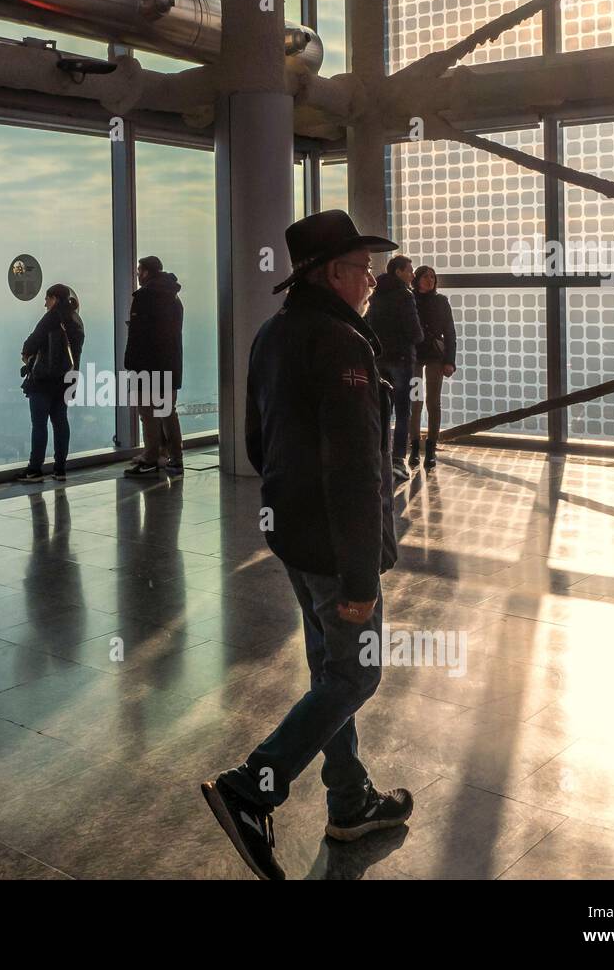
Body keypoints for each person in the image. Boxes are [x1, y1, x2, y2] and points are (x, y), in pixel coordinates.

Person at [201, 210, 412, 882]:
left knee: (331, 671)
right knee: (358, 673)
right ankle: (253, 785)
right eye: (361, 267)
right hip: (333, 544)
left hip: (290, 534)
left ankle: (350, 800)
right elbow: (355, 469)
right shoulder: (343, 344)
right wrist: (359, 577)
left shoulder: (272, 334)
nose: (372, 276)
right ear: (332, 274)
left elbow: (256, 442)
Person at [123, 255, 185, 478]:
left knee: (147, 413)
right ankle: (175, 459)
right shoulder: (174, 298)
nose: (138, 274)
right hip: (170, 364)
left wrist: (129, 362)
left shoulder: (144, 296)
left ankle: (150, 458)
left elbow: (138, 335)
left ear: (147, 272)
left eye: (139, 270)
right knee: (168, 412)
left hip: (147, 366)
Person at [17, 283, 85, 482]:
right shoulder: (76, 320)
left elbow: (32, 341)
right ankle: (60, 469)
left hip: (44, 380)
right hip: (65, 380)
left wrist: (26, 355)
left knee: (39, 425)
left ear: (55, 298)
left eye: (47, 299)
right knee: (60, 422)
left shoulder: (53, 317)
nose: (45, 304)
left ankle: (34, 469)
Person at [367, 255, 423, 483]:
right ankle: (398, 461)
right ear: (399, 271)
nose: (412, 275)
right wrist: (419, 337)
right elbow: (414, 330)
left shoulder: (376, 294)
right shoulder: (404, 295)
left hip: (379, 359)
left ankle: (380, 457)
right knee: (403, 411)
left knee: (382, 409)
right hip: (401, 358)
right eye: (409, 271)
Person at [409, 265, 457, 472]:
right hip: (414, 358)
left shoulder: (441, 301)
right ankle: (413, 447)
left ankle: (430, 448)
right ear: (417, 279)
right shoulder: (408, 299)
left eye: (433, 277)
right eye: (426, 277)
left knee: (433, 402)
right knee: (415, 402)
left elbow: (450, 332)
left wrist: (450, 361)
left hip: (436, 357)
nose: (430, 280)